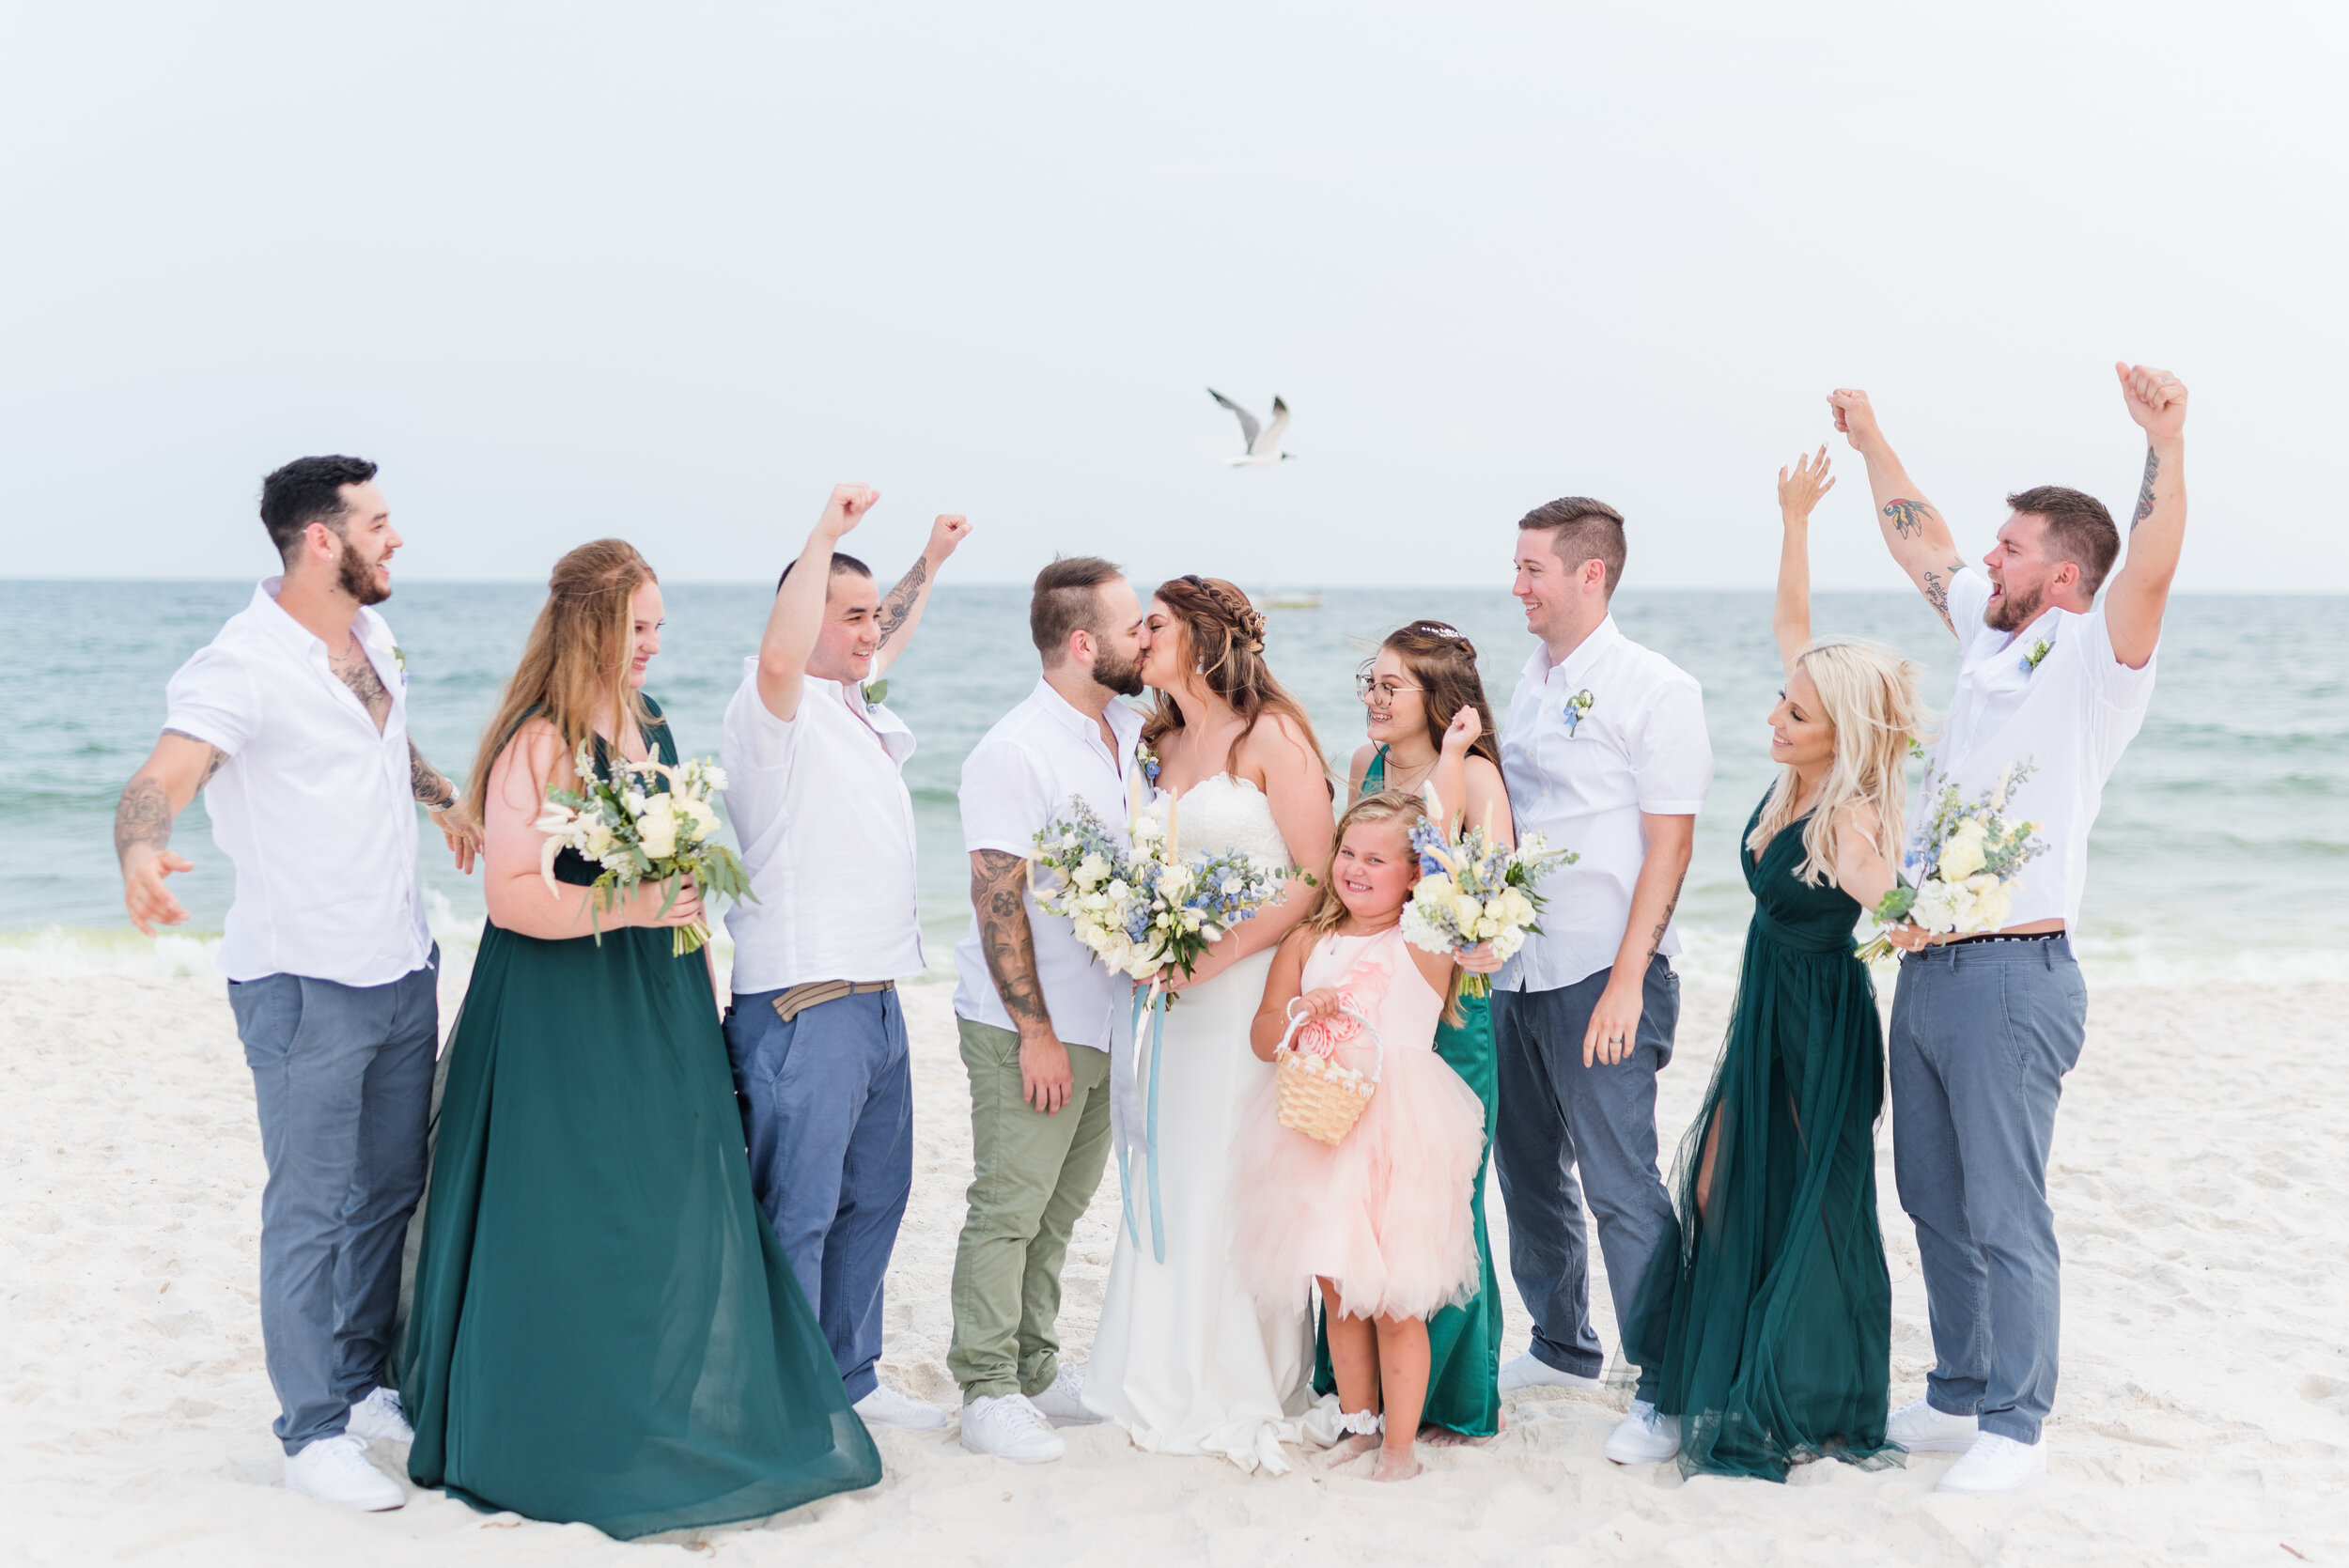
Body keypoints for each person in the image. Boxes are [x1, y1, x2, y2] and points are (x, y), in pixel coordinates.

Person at [399, 539, 881, 1537]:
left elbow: (673, 877)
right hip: (556, 1008)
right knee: (565, 1200)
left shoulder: (653, 724)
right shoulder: (539, 741)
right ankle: (552, 1419)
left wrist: (687, 925)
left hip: (657, 999)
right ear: (591, 626)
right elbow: (513, 897)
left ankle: (651, 1400)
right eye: (639, 627)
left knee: (659, 1193)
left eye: (659, 626)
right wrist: (638, 907)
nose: (653, 645)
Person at [1828, 365, 2189, 1494]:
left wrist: (2163, 444)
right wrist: (1873, 436)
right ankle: (1958, 1392)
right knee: (1930, 1193)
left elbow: (2155, 562)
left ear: (2065, 571)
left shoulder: (2096, 660)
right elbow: (1918, 538)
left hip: (2015, 973)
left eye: (2012, 546)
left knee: (2003, 1202)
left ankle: (2017, 1423)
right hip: (1928, 967)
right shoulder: (1988, 646)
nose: (1988, 557)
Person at [113, 456, 480, 1513]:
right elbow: (162, 776)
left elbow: (385, 736)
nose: (396, 536)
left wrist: (445, 800)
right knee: (310, 1208)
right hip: (303, 984)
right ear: (324, 540)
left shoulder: (365, 636)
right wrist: (141, 853)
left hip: (402, 963)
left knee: (388, 1190)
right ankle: (309, 1430)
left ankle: (361, 1385)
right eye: (379, 521)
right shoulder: (241, 665)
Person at [1614, 448, 1921, 1479]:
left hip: (1820, 1021)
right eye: (1783, 704)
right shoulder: (1803, 766)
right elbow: (1797, 630)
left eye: (1794, 713)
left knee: (1797, 1199)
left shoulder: (1852, 816)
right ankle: (1712, 1371)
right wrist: (1793, 519)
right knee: (1717, 1185)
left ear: (1840, 731)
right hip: (1767, 1011)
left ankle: (1794, 1392)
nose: (1775, 717)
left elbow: (1911, 917)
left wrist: (1938, 900)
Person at [720, 485, 969, 1433]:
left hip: (874, 995)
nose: (870, 633)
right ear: (805, 614)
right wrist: (823, 535)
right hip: (803, 1000)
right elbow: (790, 648)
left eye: (872, 616)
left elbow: (884, 630)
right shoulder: (769, 705)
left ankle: (849, 1377)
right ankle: (785, 1391)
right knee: (801, 1208)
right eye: (849, 616)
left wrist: (928, 563)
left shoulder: (848, 699)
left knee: (875, 1195)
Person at [1080, 574, 1336, 1473]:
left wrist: (1217, 955)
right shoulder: (1162, 739)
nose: (1139, 637)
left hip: (1246, 995)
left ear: (1200, 635)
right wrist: (1138, 937)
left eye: (1153, 624)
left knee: (1233, 1170)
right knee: (1169, 1163)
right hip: (1170, 998)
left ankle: (1237, 1370)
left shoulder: (1273, 736)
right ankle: (1153, 1362)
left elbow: (1315, 875)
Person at [1490, 497, 1714, 1433]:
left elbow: (1670, 845)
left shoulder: (1656, 687)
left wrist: (1628, 978)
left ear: (1591, 573)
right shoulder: (1527, 681)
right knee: (1527, 1169)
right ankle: (1560, 1342)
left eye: (1533, 568)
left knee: (1621, 1182)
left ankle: (1662, 1380)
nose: (1517, 585)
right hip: (1516, 969)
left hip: (1602, 971)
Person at [1234, 788, 1497, 1483]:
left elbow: (1455, 876)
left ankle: (1402, 1447)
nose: (1355, 867)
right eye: (1347, 852)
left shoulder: (1423, 939)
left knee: (1395, 1294)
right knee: (1338, 1286)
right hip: (1319, 1125)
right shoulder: (1306, 940)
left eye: (1377, 858)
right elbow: (1263, 1034)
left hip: (1397, 1127)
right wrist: (1297, 1013)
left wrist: (1451, 768)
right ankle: (1358, 1423)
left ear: (1414, 874)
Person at [947, 556, 1148, 1463]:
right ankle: (986, 1384)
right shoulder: (1014, 750)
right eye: (1131, 625)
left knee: (1060, 1211)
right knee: (1008, 1207)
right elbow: (998, 895)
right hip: (1030, 1024)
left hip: (1108, 1017)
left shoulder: (1126, 731)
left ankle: (1033, 1366)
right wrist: (1034, 1032)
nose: (1143, 638)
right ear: (1081, 643)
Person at [1327, 621, 1514, 1442]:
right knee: (1357, 1202)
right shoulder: (1366, 767)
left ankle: (1451, 1396)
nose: (1373, 694)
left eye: (1390, 684)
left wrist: (1480, 935)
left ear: (1436, 700)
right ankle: (1360, 1396)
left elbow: (1499, 902)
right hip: (1367, 1014)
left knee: (1441, 1205)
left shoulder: (1473, 776)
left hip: (1447, 1012)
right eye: (1371, 678)